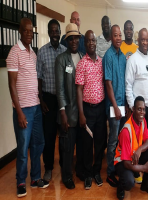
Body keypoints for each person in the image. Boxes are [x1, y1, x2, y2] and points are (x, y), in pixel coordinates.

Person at [7, 18, 49, 198]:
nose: (29, 34)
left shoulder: (33, 53)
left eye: (32, 31)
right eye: (26, 31)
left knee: (38, 144)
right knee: (23, 148)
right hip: (24, 110)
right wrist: (19, 112)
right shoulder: (14, 53)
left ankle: (35, 178)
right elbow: (12, 85)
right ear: (20, 31)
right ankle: (21, 181)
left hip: (37, 108)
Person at [76, 30, 107, 189]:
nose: (91, 43)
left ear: (96, 42)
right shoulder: (82, 64)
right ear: (85, 43)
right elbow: (79, 90)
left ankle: (96, 172)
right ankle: (88, 174)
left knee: (100, 143)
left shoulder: (102, 62)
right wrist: (81, 114)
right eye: (88, 41)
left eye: (93, 40)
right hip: (87, 110)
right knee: (87, 144)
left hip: (100, 109)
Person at [36, 19, 67, 182]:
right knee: (48, 136)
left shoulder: (65, 51)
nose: (55, 34)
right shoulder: (41, 52)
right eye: (52, 31)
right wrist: (41, 100)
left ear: (60, 32)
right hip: (48, 99)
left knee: (63, 134)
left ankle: (63, 166)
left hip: (62, 99)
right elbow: (39, 78)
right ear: (49, 33)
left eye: (57, 31)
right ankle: (48, 168)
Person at [55, 23, 84, 189]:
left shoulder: (82, 57)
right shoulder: (61, 59)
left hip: (80, 112)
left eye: (76, 38)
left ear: (79, 39)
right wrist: (62, 112)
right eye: (71, 38)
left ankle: (79, 170)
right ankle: (67, 176)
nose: (74, 41)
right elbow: (59, 89)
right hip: (67, 112)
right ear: (67, 40)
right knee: (67, 148)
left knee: (80, 145)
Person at [114, 96, 148, 200]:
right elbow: (126, 163)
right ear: (133, 109)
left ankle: (146, 185)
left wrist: (139, 150)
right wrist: (144, 168)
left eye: (143, 109)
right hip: (122, 161)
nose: (142, 112)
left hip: (134, 156)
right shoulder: (126, 130)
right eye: (139, 109)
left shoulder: (142, 121)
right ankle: (121, 185)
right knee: (129, 182)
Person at [103, 25, 127, 187]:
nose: (118, 38)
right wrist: (115, 106)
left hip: (122, 104)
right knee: (112, 140)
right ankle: (110, 172)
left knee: (120, 138)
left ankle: (118, 166)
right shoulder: (108, 56)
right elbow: (108, 83)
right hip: (113, 106)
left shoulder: (123, 56)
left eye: (120, 35)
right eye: (115, 35)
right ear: (110, 37)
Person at [125, 28, 148, 140]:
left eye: (146, 40)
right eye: (142, 39)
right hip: (138, 109)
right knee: (137, 139)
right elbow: (128, 85)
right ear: (138, 40)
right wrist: (132, 106)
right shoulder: (132, 60)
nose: (145, 42)